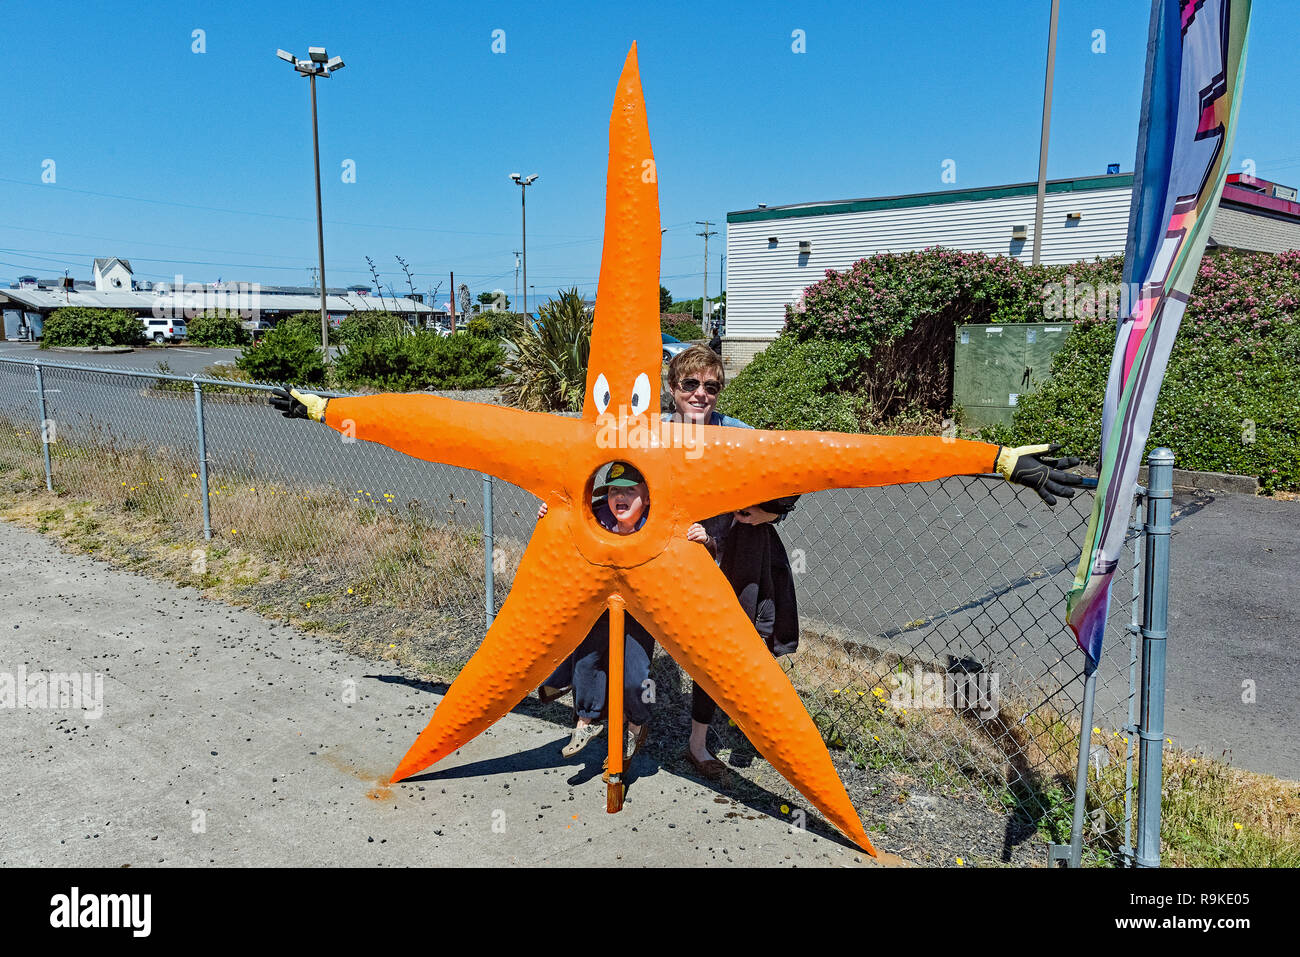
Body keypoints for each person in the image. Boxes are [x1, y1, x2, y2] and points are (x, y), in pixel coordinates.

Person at [663, 344, 796, 777]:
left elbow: (794, 470)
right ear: (672, 388)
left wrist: (772, 511)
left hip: (724, 559)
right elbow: (612, 475)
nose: (701, 393)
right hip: (660, 559)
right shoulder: (653, 431)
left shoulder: (735, 432)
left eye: (711, 386)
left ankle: (698, 744)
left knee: (716, 653)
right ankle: (627, 724)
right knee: (635, 638)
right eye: (691, 384)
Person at [537, 462, 654, 763]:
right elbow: (565, 523)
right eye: (615, 490)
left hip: (640, 614)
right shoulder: (597, 517)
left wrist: (702, 537)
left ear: (648, 496)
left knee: (635, 678)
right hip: (601, 606)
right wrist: (549, 516)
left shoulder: (655, 524)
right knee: (586, 662)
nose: (620, 496)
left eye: (630, 490)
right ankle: (585, 723)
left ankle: (636, 726)